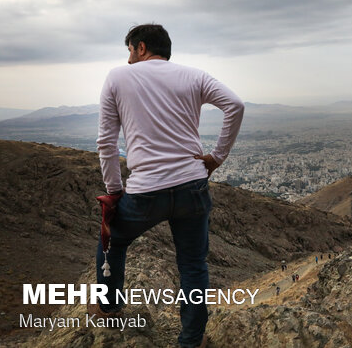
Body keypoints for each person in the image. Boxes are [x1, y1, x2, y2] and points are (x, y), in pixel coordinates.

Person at [93, 24, 244, 348]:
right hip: (192, 185)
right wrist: (216, 157)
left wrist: (115, 190)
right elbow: (235, 105)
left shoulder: (117, 78)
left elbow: (106, 143)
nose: (129, 59)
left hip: (145, 190)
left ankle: (108, 308)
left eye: (130, 51)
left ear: (141, 47)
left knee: (112, 242)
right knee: (192, 264)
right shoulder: (194, 76)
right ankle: (191, 340)